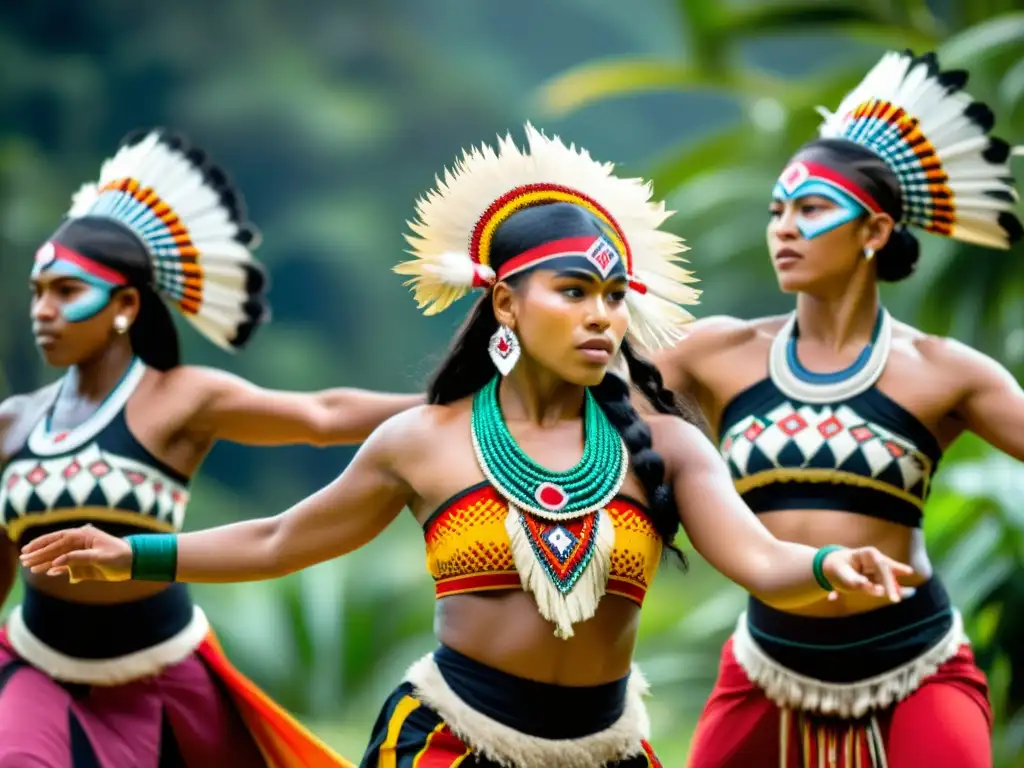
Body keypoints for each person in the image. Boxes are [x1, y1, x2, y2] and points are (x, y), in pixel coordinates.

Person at [21, 124, 914, 768]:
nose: (601, 315)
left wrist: (831, 567)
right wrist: (132, 552)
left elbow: (761, 558)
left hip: (606, 750)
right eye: (573, 291)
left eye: (612, 295)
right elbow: (280, 537)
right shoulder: (423, 441)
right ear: (505, 304)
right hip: (448, 742)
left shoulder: (669, 446)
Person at [0, 128, 423, 768]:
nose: (44, 310)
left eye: (64, 291)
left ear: (125, 305)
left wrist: (458, 403)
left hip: (163, 672)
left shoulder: (180, 398)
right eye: (37, 293)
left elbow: (320, 415)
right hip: (38, 664)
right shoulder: (13, 423)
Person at [648, 50, 1023, 767]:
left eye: (812, 208)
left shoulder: (944, 372)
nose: (783, 227)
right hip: (768, 660)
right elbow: (563, 404)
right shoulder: (712, 353)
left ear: (875, 232)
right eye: (777, 210)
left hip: (916, 662)